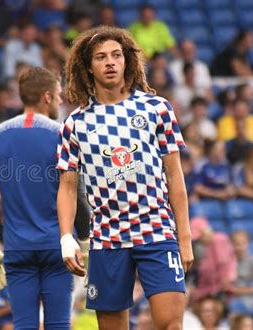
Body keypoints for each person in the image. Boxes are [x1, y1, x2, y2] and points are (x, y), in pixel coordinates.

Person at [58, 26, 193, 330]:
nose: (110, 62)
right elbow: (67, 188)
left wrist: (184, 237)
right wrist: (66, 237)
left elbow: (175, 175)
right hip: (107, 238)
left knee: (171, 325)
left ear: (127, 61)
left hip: (156, 232)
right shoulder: (75, 124)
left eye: (116, 55)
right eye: (101, 57)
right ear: (88, 66)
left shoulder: (157, 108)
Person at [0, 67, 90, 329]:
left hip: (17, 248)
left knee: (24, 325)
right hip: (58, 248)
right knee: (59, 324)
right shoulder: (63, 133)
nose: (62, 101)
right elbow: (77, 194)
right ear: (47, 97)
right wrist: (84, 243)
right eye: (60, 95)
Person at [189, 217, 237, 302]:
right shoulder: (201, 246)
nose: (200, 239)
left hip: (222, 288)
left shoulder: (219, 240)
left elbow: (223, 267)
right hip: (208, 288)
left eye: (201, 235)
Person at [229, 231, 253, 314]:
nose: (239, 246)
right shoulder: (226, 260)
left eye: (243, 243)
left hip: (248, 298)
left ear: (248, 244)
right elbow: (229, 289)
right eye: (236, 243)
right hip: (231, 299)